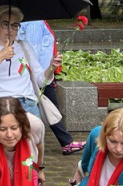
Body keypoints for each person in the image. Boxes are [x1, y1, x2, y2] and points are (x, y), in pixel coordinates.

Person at [0, 5, 51, 120]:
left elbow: (40, 80)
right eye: (5, 24)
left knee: (32, 138)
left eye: (15, 25)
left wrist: (51, 68)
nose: (10, 29)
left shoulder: (25, 47)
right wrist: (0, 56)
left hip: (26, 105)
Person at [17, 19, 84, 154]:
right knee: (50, 109)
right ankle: (66, 142)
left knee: (50, 109)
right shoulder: (34, 23)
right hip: (39, 75)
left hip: (44, 73)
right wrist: (45, 72)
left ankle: (66, 142)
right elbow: (33, 50)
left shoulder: (40, 22)